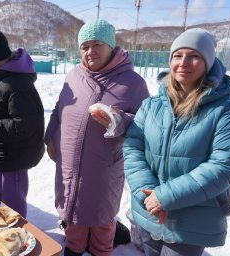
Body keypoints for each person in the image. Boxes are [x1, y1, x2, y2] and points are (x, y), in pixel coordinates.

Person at [123, 28, 230, 256]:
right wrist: (148, 195)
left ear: (208, 63)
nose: (184, 63)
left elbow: (225, 165)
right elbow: (133, 147)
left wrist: (165, 197)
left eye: (194, 56)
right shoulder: (153, 105)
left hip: (190, 222)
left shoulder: (225, 109)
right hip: (149, 214)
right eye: (177, 55)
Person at [44, 20, 149, 256]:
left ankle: (101, 250)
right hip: (69, 161)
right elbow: (58, 108)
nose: (90, 51)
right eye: (85, 46)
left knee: (101, 219)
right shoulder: (73, 76)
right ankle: (73, 249)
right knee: (73, 214)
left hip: (103, 166)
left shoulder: (133, 82)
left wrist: (119, 121)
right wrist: (50, 136)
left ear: (111, 45)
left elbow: (147, 126)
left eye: (97, 45)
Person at [0, 27, 45, 217]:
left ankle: (15, 239)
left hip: (14, 159)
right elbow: (2, 106)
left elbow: (23, 126)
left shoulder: (17, 84)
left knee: (12, 208)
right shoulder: (1, 77)